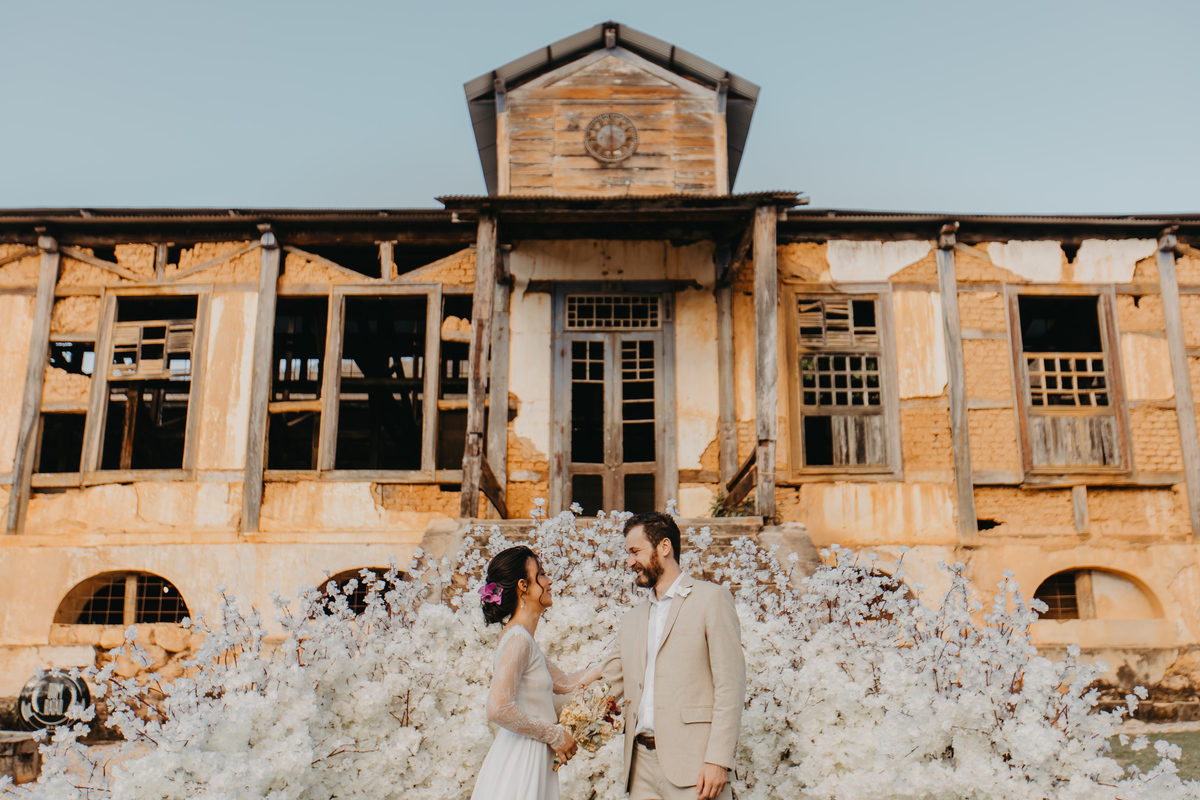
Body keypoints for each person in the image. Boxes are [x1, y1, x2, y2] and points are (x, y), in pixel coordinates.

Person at [600, 512, 746, 800]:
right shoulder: (632, 619)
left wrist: (718, 760)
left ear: (664, 547)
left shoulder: (711, 599)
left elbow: (731, 685)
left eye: (635, 551)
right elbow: (607, 680)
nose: (629, 562)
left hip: (696, 766)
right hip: (639, 767)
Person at [470, 545, 598, 800]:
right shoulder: (518, 639)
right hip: (521, 763)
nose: (549, 580)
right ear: (523, 585)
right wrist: (555, 734)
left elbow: (566, 683)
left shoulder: (522, 639)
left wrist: (617, 661)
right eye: (541, 574)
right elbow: (498, 708)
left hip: (531, 756)